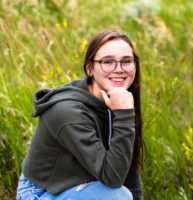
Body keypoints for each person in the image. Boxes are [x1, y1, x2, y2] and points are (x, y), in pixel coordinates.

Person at [16, 30, 144, 200]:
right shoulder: (68, 111)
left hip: (84, 185)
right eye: (108, 61)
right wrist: (124, 115)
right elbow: (113, 179)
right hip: (40, 193)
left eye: (126, 61)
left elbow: (127, 169)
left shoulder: (119, 100)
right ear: (90, 68)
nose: (118, 69)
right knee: (118, 196)